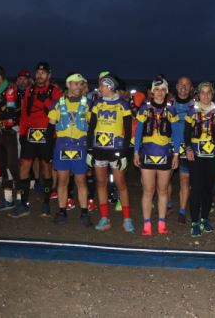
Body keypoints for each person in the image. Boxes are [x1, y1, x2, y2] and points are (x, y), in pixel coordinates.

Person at [134, 76, 182, 235]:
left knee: (162, 191)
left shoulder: (171, 110)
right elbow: (139, 132)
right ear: (151, 91)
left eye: (163, 89)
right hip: (147, 153)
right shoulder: (144, 108)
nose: (160, 92)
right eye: (157, 89)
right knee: (148, 191)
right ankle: (147, 224)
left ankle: (161, 222)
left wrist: (176, 154)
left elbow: (176, 134)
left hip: (165, 154)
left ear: (167, 92)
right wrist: (135, 152)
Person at [87, 73, 134, 232]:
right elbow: (91, 128)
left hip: (116, 150)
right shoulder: (97, 104)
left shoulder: (123, 105)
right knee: (101, 183)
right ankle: (104, 217)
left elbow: (128, 132)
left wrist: (124, 154)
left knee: (121, 184)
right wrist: (89, 150)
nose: (99, 88)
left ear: (110, 87)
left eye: (102, 85)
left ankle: (127, 219)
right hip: (99, 150)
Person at [16, 61, 63, 218]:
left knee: (46, 167)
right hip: (30, 134)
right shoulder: (29, 91)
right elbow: (24, 114)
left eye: (43, 72)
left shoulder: (55, 91)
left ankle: (46, 203)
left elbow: (59, 113)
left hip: (47, 134)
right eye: (37, 72)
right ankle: (23, 203)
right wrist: (22, 134)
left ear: (48, 75)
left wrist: (46, 101)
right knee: (24, 166)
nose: (39, 75)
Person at [185, 82, 215, 236]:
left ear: (212, 94)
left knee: (209, 189)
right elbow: (186, 133)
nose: (206, 95)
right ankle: (195, 222)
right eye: (202, 92)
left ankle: (204, 219)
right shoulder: (191, 111)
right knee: (196, 188)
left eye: (209, 92)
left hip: (213, 156)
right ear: (198, 94)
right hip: (196, 155)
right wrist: (188, 148)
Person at [49, 74, 92, 226]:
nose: (78, 87)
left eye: (81, 84)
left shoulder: (88, 104)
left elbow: (92, 126)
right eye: (75, 84)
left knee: (81, 181)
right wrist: (49, 148)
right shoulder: (57, 103)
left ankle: (84, 213)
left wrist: (91, 148)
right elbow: (51, 124)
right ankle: (61, 211)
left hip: (81, 145)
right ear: (68, 85)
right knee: (63, 181)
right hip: (62, 145)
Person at [0, 66, 22, 212]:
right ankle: (8, 200)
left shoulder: (11, 91)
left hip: (12, 133)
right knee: (3, 167)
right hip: (0, 134)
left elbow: (11, 114)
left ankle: (21, 200)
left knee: (14, 167)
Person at [170, 76, 193, 224]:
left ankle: (182, 211)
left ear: (191, 88)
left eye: (187, 85)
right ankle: (167, 204)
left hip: (187, 146)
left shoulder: (195, 106)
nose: (183, 87)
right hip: (168, 145)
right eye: (181, 84)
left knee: (184, 180)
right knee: (165, 180)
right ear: (176, 86)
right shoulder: (168, 104)